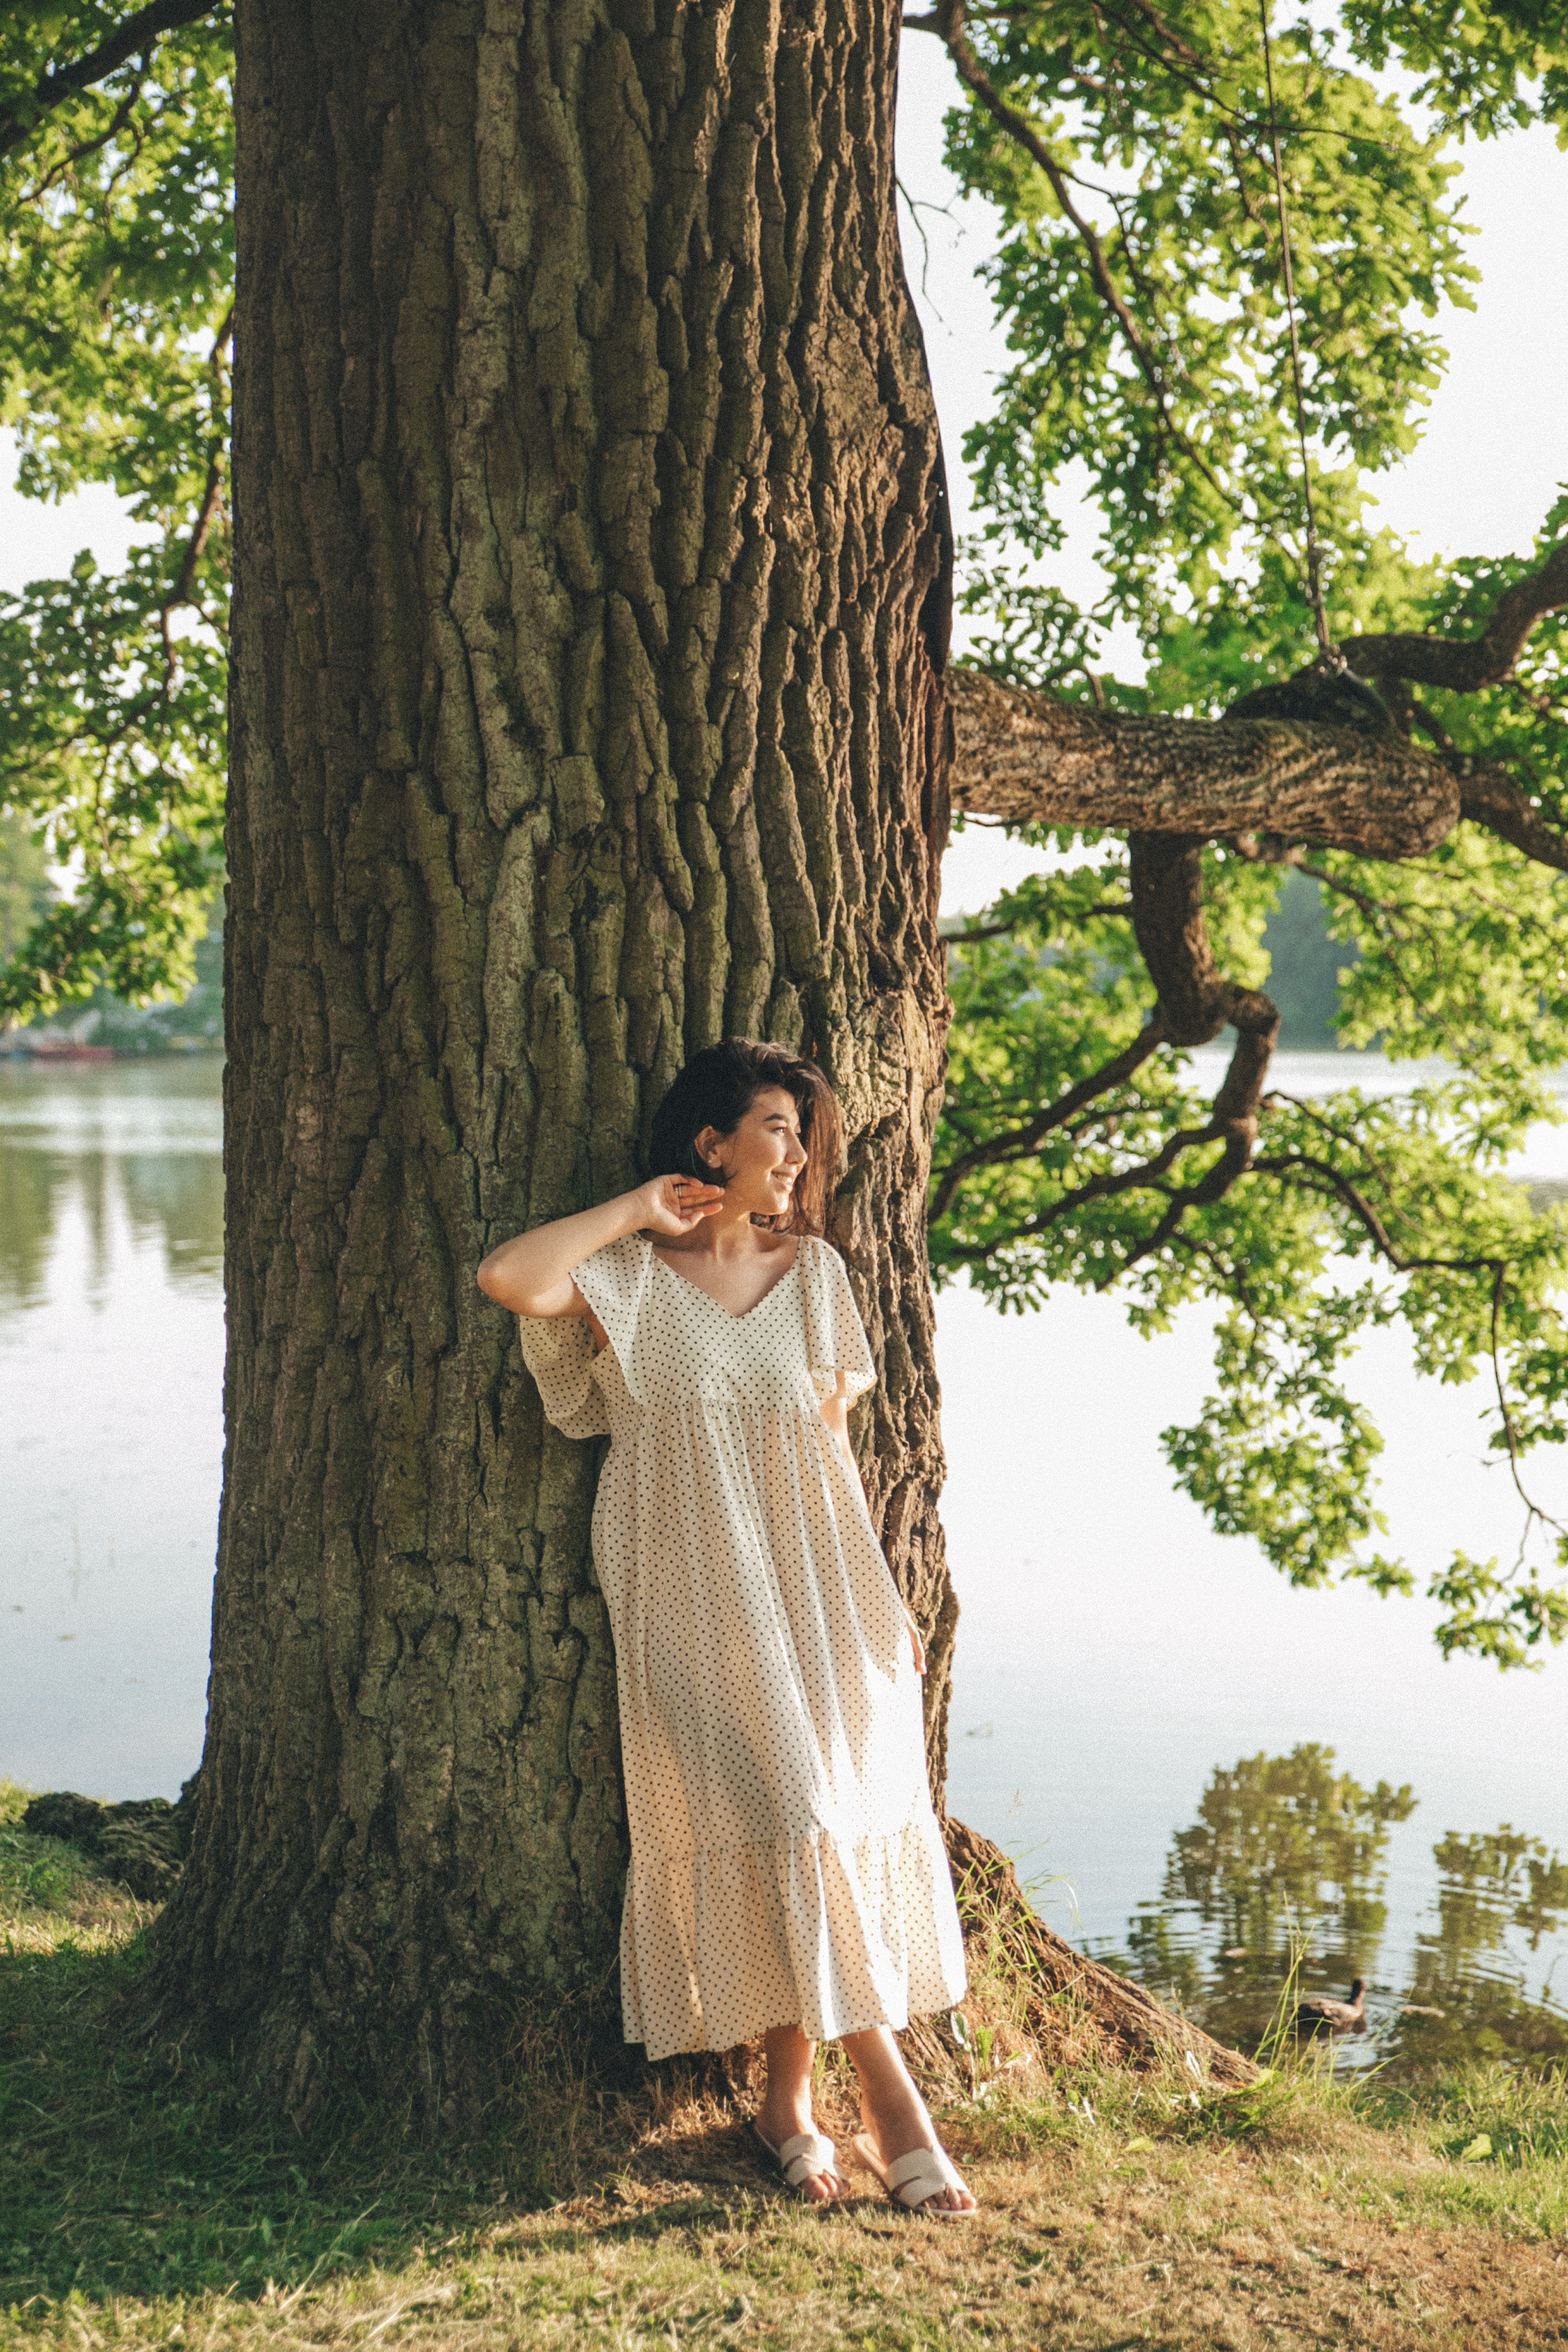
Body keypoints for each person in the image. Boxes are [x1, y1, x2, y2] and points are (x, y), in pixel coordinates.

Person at [477, 1038, 976, 2217]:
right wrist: (636, 1210)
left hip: (824, 1581)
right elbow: (510, 1277)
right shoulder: (630, 1281)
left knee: (825, 1821)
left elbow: (839, 1458)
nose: (799, 1154)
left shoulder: (819, 1277)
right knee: (787, 1810)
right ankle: (896, 2104)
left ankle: (785, 2109)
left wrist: (887, 1594)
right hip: (689, 1579)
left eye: (805, 1133)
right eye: (776, 1129)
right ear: (712, 1145)